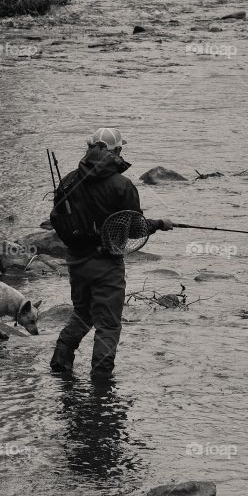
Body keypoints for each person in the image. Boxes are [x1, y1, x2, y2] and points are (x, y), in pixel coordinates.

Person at [50, 127, 173, 378]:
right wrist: (159, 224)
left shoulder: (69, 180)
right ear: (116, 151)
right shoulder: (122, 185)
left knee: (83, 313)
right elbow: (136, 230)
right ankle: (101, 380)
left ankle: (60, 361)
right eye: (120, 149)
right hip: (106, 263)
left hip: (76, 261)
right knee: (108, 324)